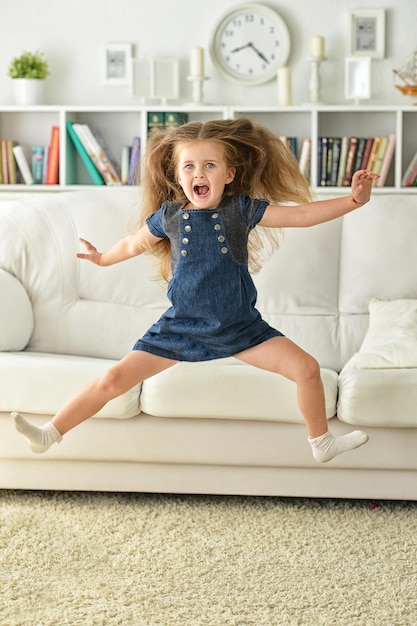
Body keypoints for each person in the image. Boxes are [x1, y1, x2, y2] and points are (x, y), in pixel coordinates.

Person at [12, 118, 378, 462]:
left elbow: (300, 216)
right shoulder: (169, 216)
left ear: (229, 174)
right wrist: (102, 258)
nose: (199, 174)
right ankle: (50, 432)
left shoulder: (241, 211)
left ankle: (322, 442)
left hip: (241, 328)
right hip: (180, 328)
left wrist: (354, 201)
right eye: (189, 167)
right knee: (112, 379)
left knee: (308, 369)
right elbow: (133, 243)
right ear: (177, 175)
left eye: (210, 166)